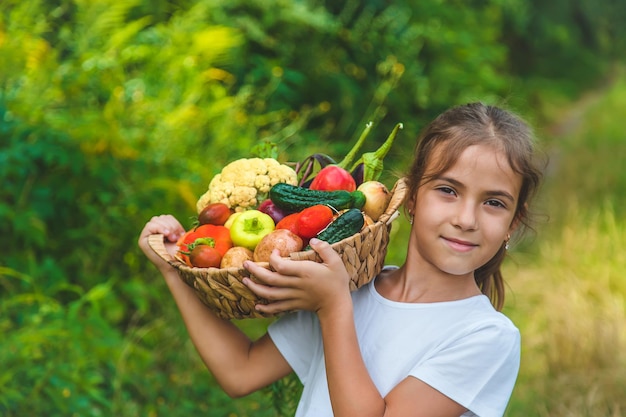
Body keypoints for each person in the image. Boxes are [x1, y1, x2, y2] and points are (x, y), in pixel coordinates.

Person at [138, 102, 544, 417]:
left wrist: (333, 309)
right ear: (411, 198)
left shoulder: (485, 336)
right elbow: (241, 371)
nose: (466, 219)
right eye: (448, 191)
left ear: (512, 223)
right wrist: (173, 268)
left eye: (493, 203)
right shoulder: (350, 285)